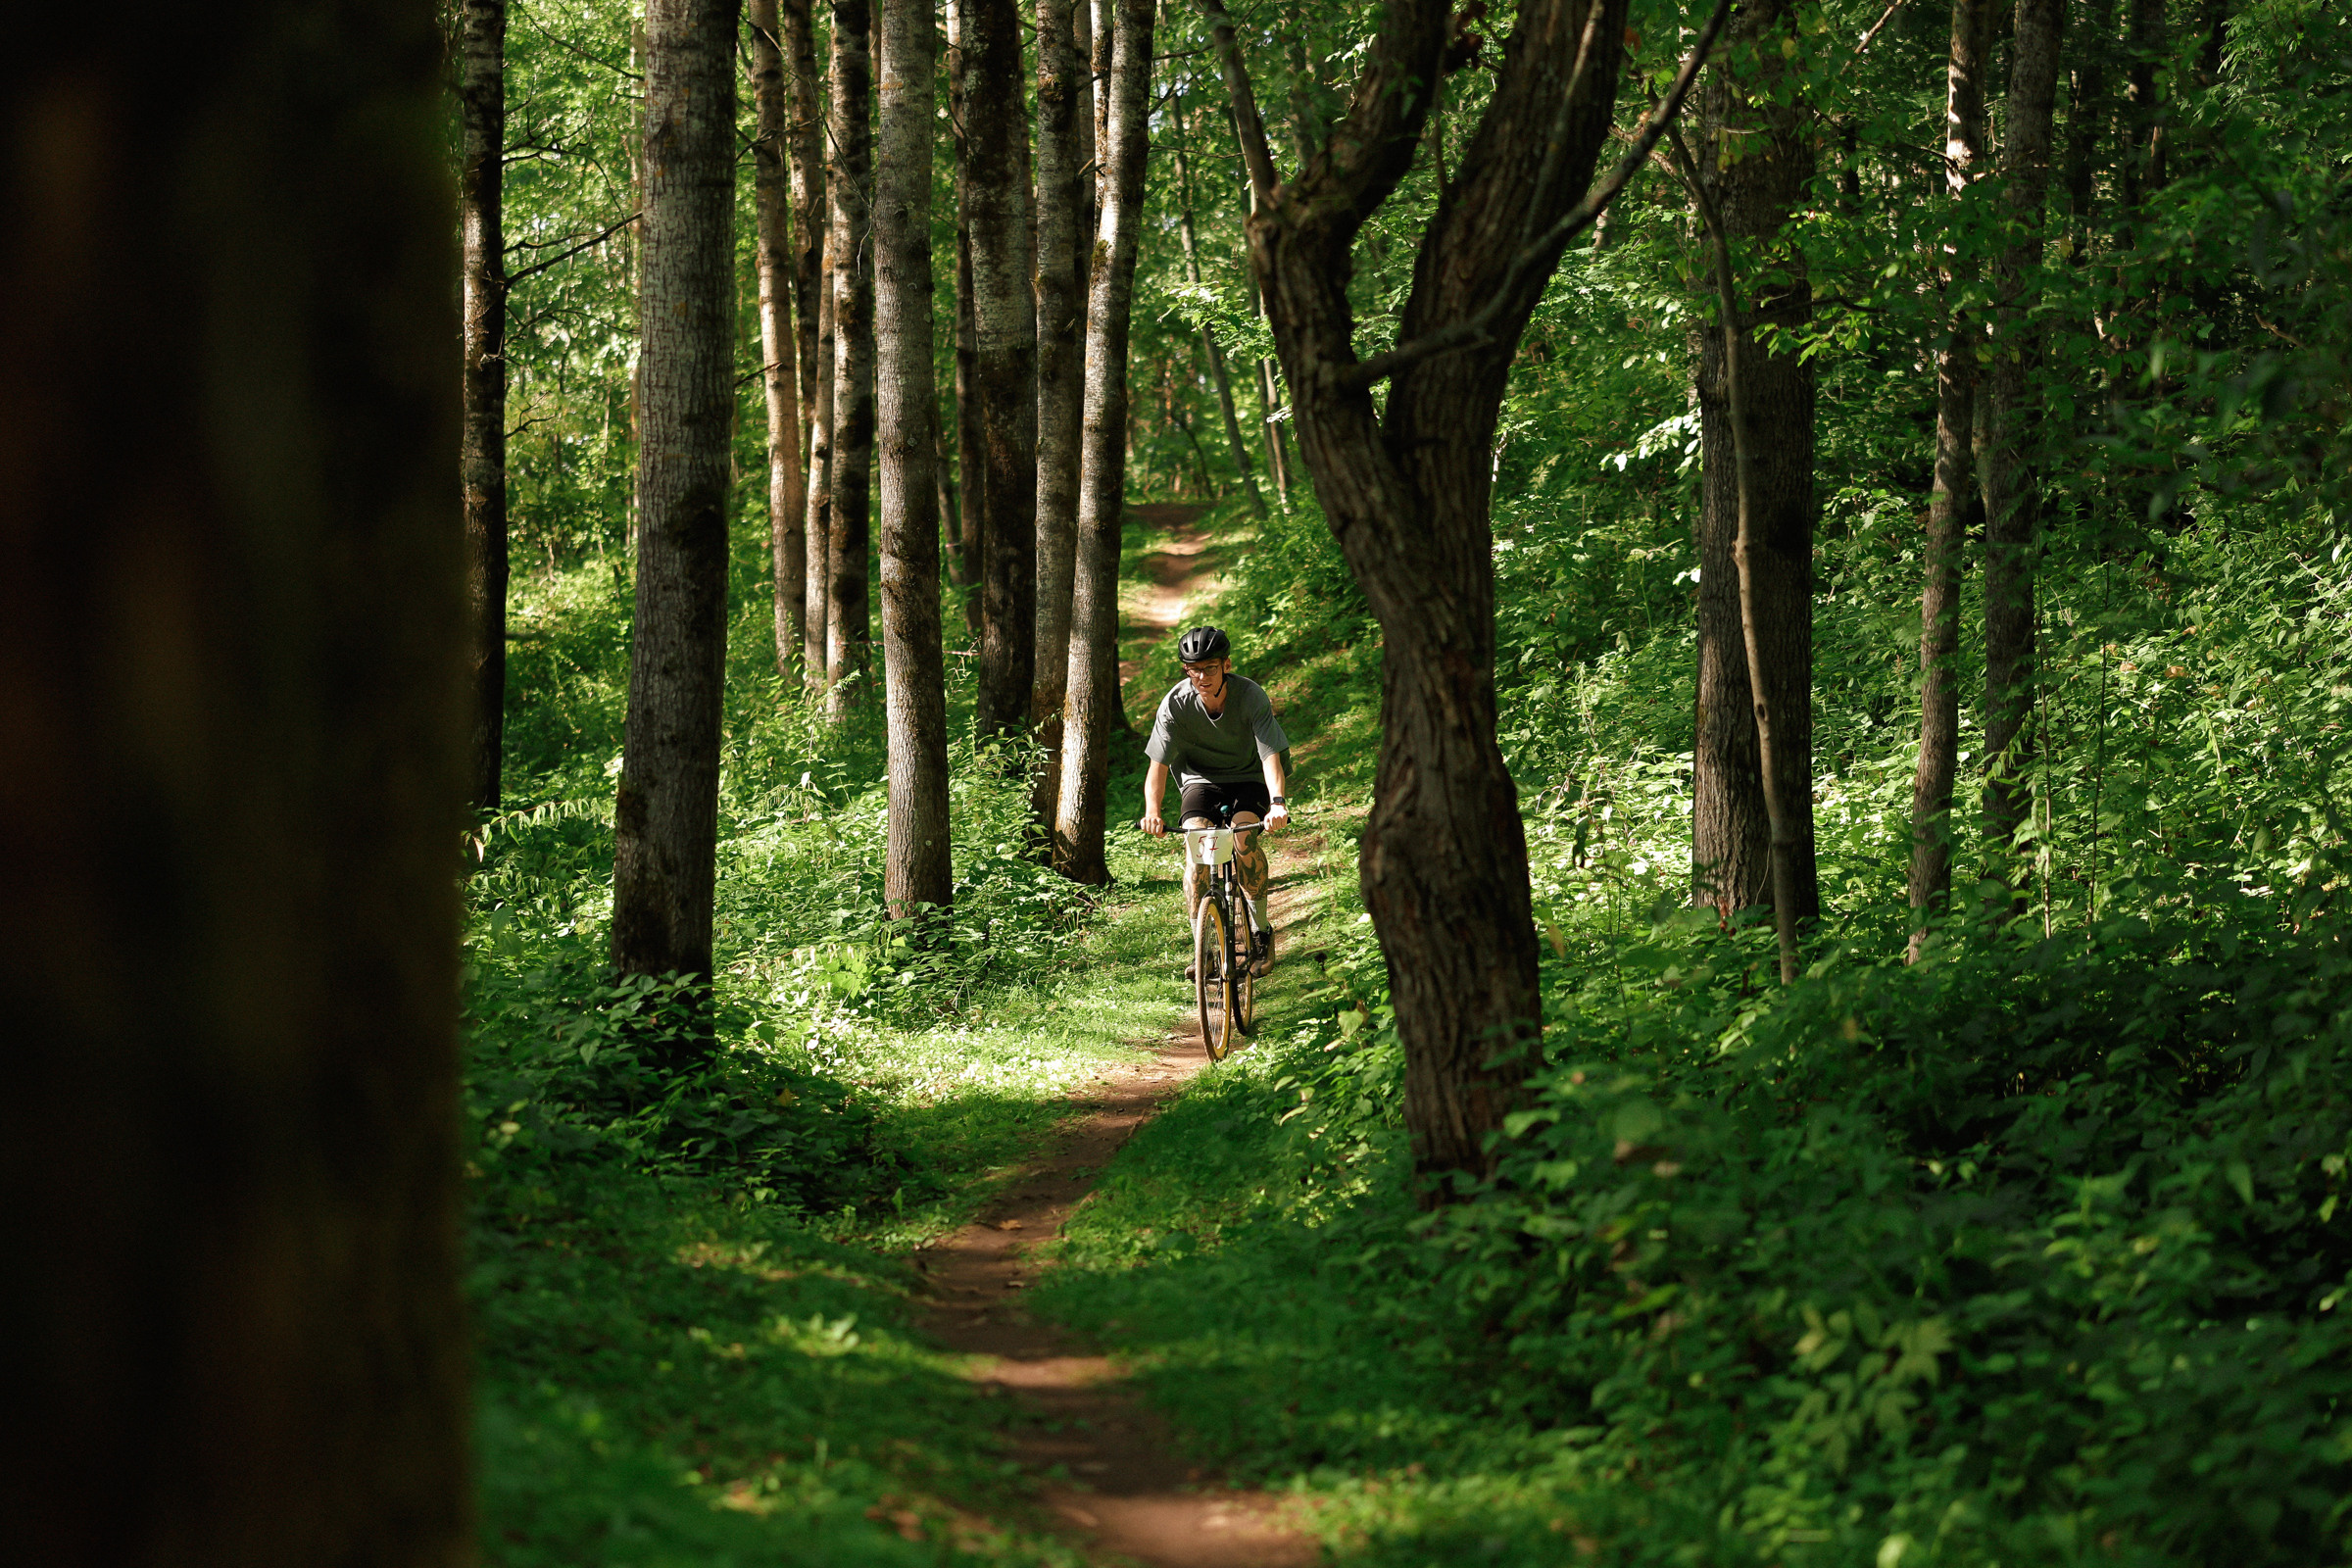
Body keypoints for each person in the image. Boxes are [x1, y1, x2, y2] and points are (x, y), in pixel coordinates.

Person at [1139, 625, 1290, 975]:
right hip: (1200, 781)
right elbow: (1157, 767)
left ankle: (1260, 932)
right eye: (1193, 668)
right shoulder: (1175, 704)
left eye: (1209, 667)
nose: (1202, 676)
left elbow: (1270, 757)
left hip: (1249, 777)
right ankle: (1203, 947)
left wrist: (1278, 802)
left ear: (1226, 665)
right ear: (1185, 669)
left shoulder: (1250, 696)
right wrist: (1152, 812)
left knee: (1243, 838)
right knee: (1197, 847)